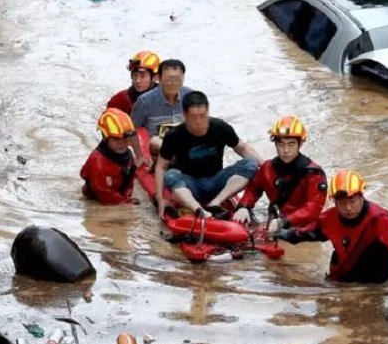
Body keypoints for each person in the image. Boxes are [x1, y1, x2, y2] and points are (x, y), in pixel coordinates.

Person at [275, 169, 388, 291]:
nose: (348, 208)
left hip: (378, 275)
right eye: (342, 203)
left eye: (352, 201)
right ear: (335, 202)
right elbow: (305, 233)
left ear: (361, 197)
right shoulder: (329, 218)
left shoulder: (379, 218)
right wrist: (283, 234)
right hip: (345, 277)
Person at [154, 91, 263, 219]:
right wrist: (160, 198)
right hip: (190, 185)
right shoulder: (174, 135)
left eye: (202, 115)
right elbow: (161, 167)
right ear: (184, 115)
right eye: (193, 117)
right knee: (171, 175)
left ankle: (215, 204)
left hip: (216, 181)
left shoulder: (220, 127)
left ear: (208, 111)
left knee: (250, 163)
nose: (199, 121)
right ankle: (198, 210)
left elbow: (243, 148)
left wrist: (267, 166)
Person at [232, 116, 327, 232]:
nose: (286, 150)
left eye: (291, 144)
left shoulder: (314, 174)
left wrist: (284, 221)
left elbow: (313, 208)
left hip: (302, 228)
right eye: (281, 144)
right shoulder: (267, 168)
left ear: (300, 144)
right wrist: (243, 206)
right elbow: (253, 189)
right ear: (275, 145)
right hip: (275, 221)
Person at [130, 59, 192, 165]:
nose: (173, 83)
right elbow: (131, 131)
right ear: (159, 78)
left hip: (187, 146)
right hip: (159, 150)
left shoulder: (191, 96)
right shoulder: (144, 101)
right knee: (155, 141)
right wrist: (140, 156)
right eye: (168, 79)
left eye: (177, 79)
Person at [80, 108, 140, 205]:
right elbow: (105, 195)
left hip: (116, 193)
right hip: (96, 200)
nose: (122, 143)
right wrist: (125, 201)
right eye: (116, 139)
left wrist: (127, 196)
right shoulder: (98, 162)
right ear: (105, 138)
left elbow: (129, 180)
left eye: (125, 138)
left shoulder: (128, 154)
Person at [106, 50, 160, 115]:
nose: (137, 80)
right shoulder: (120, 99)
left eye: (142, 76)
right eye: (135, 75)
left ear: (155, 77)